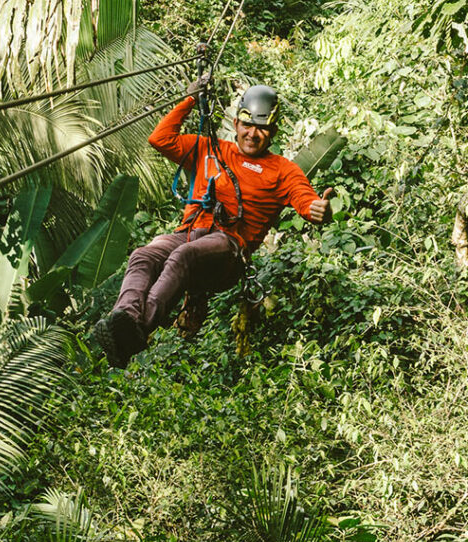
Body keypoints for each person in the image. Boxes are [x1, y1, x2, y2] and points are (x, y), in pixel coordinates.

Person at [93, 79, 333, 367]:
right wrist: (189, 101)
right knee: (143, 255)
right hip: (190, 233)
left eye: (262, 128)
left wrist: (320, 210)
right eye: (247, 125)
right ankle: (126, 320)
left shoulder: (283, 171)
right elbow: (160, 139)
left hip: (229, 250)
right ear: (236, 123)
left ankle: (139, 329)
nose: (252, 134)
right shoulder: (211, 149)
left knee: (182, 256)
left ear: (273, 132)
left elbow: (307, 203)